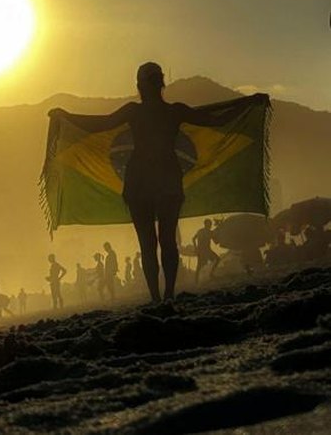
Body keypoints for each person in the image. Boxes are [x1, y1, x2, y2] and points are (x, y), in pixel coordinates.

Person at [50, 62, 267, 302]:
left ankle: (157, 298)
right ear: (161, 83)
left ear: (139, 86)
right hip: (166, 181)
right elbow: (215, 120)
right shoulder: (174, 111)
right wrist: (249, 103)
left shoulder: (134, 111)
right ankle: (168, 294)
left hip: (140, 183)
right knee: (167, 241)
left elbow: (100, 124)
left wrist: (66, 116)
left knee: (149, 244)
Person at [193, 219, 220, 284]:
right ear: (206, 224)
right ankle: (197, 280)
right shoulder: (206, 232)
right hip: (204, 250)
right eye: (209, 224)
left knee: (216, 259)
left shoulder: (204, 231)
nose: (210, 225)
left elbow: (193, 239)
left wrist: (196, 248)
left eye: (210, 224)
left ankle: (210, 274)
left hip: (205, 250)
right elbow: (216, 241)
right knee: (199, 265)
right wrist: (196, 248)